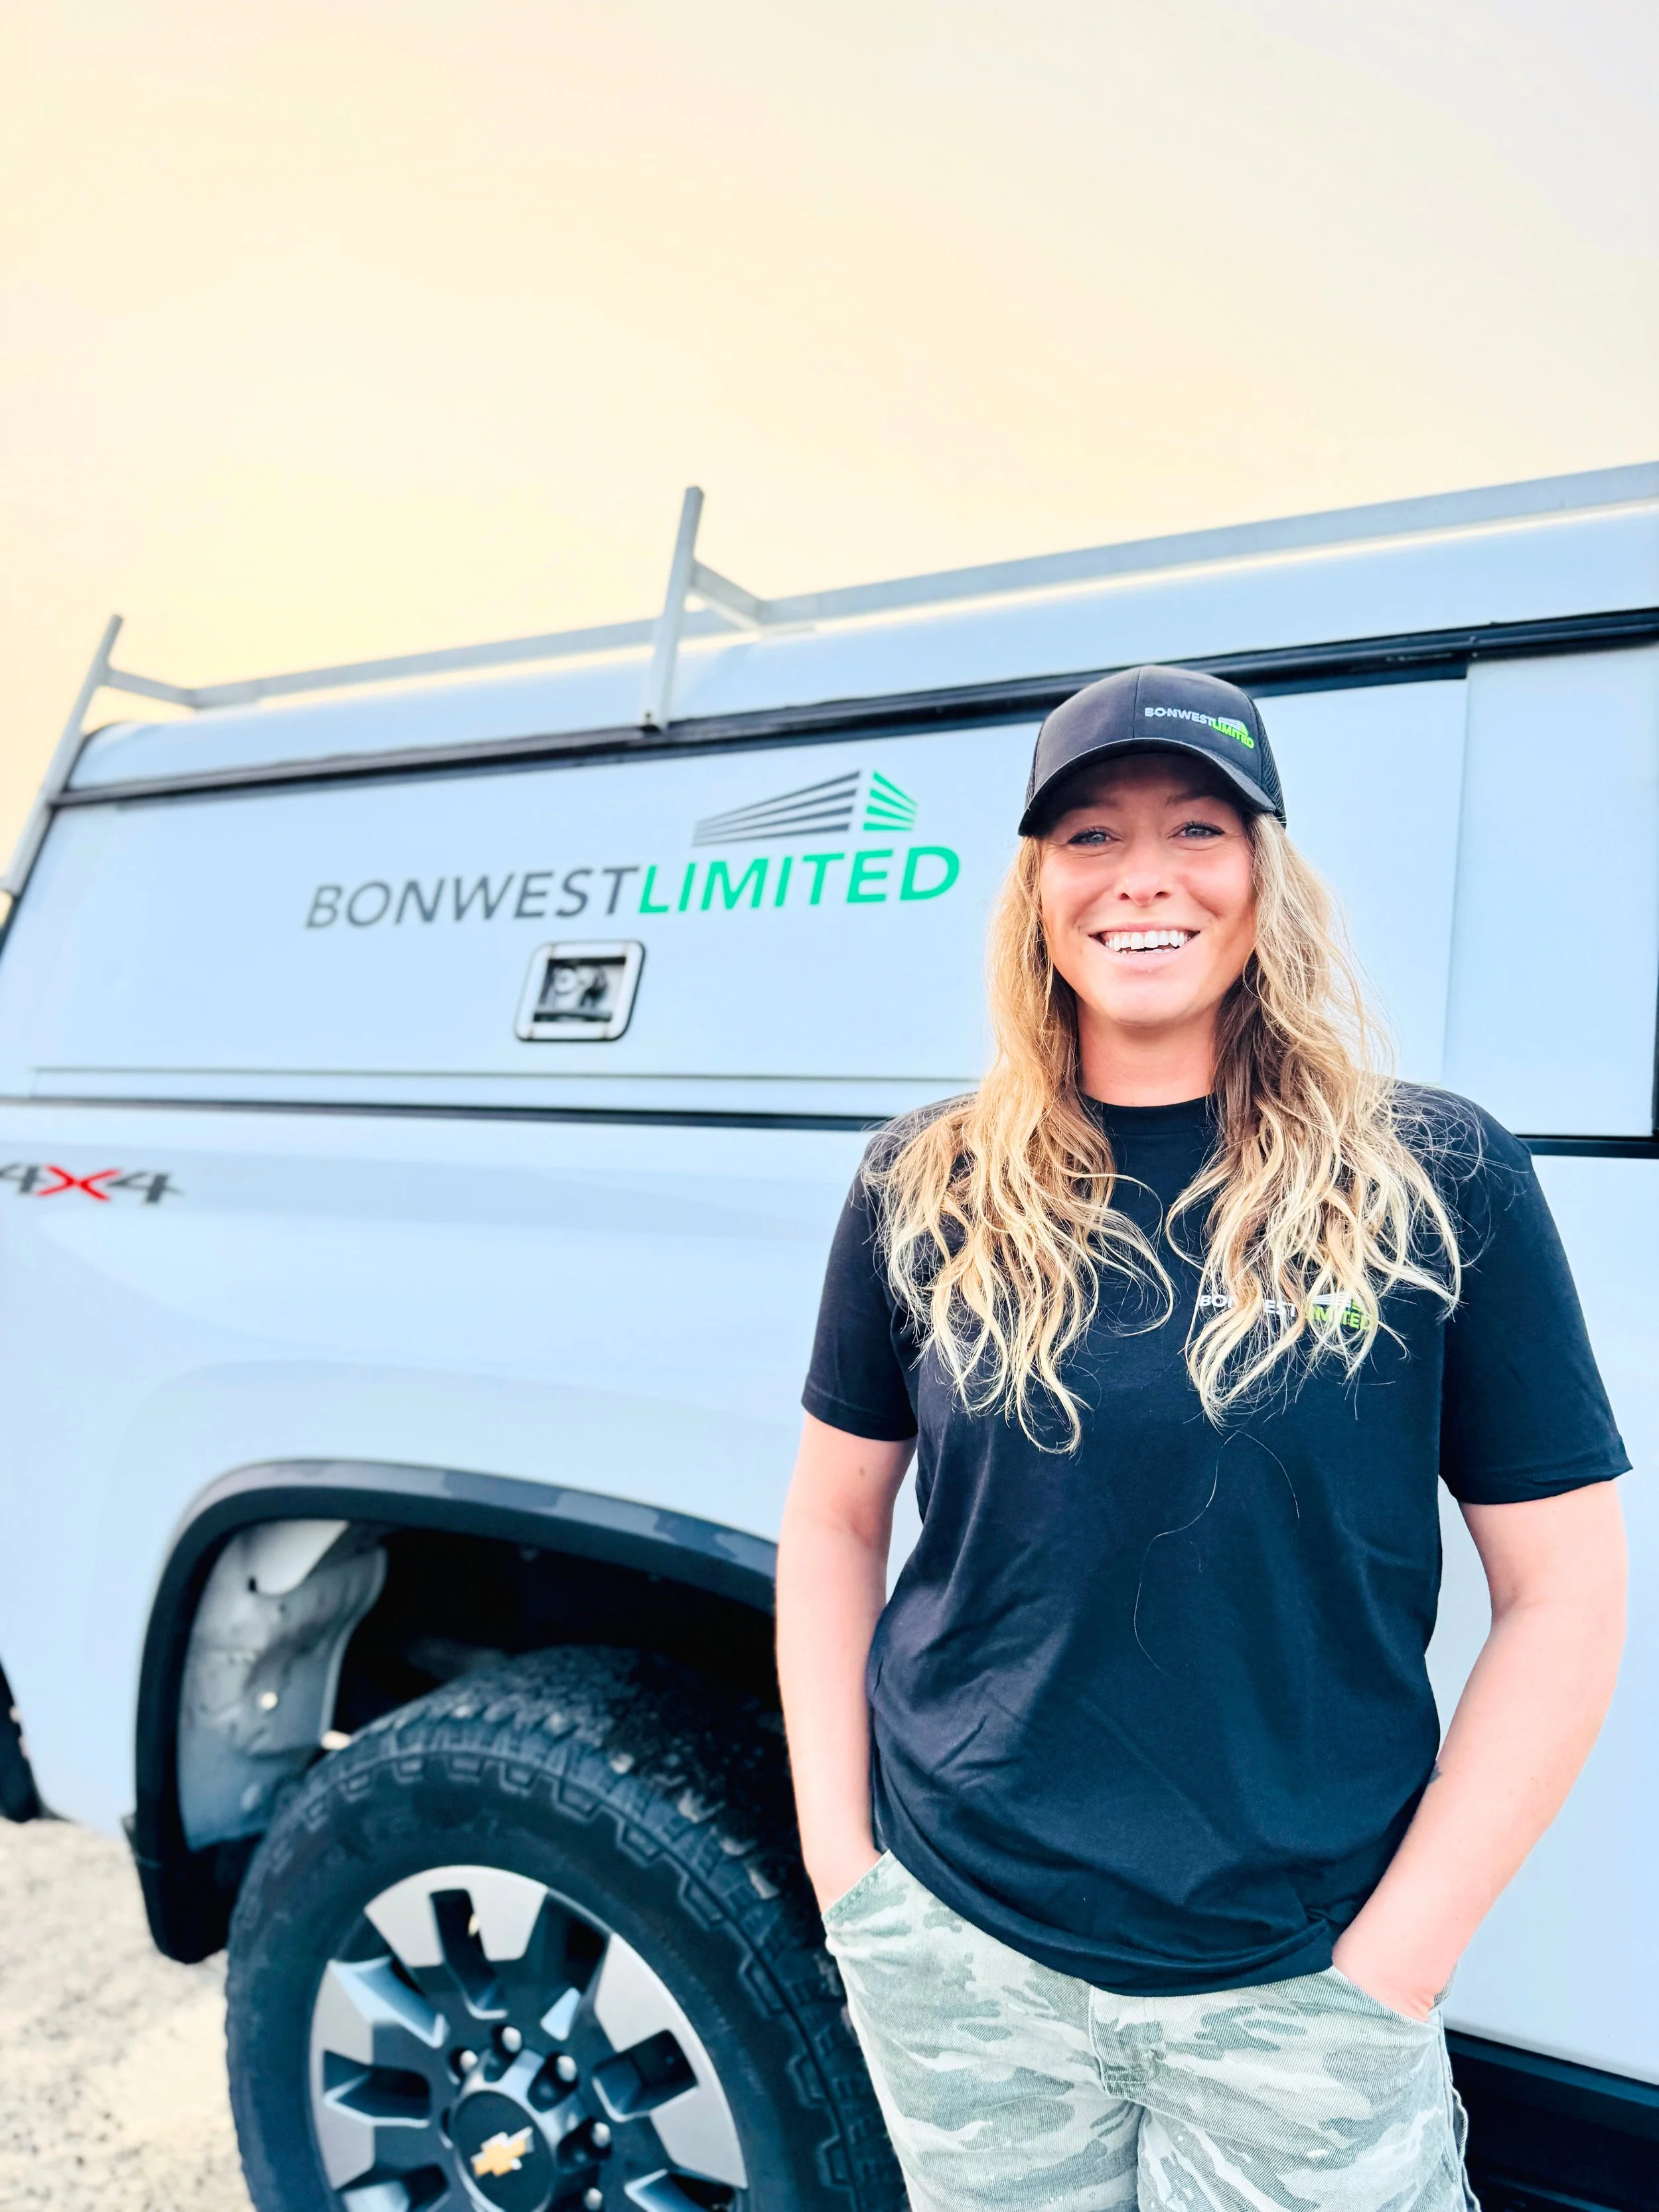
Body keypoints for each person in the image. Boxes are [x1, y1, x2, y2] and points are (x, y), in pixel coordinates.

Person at [775, 665, 1628, 2212]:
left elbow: (1564, 1593)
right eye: (1088, 834)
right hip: (964, 1955)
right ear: (1036, 892)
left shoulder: (1435, 1176)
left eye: (1196, 827)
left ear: (1262, 877)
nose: (1144, 873)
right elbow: (834, 1524)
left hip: (1300, 1985)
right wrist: (848, 1872)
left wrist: (1393, 1959)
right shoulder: (923, 1183)